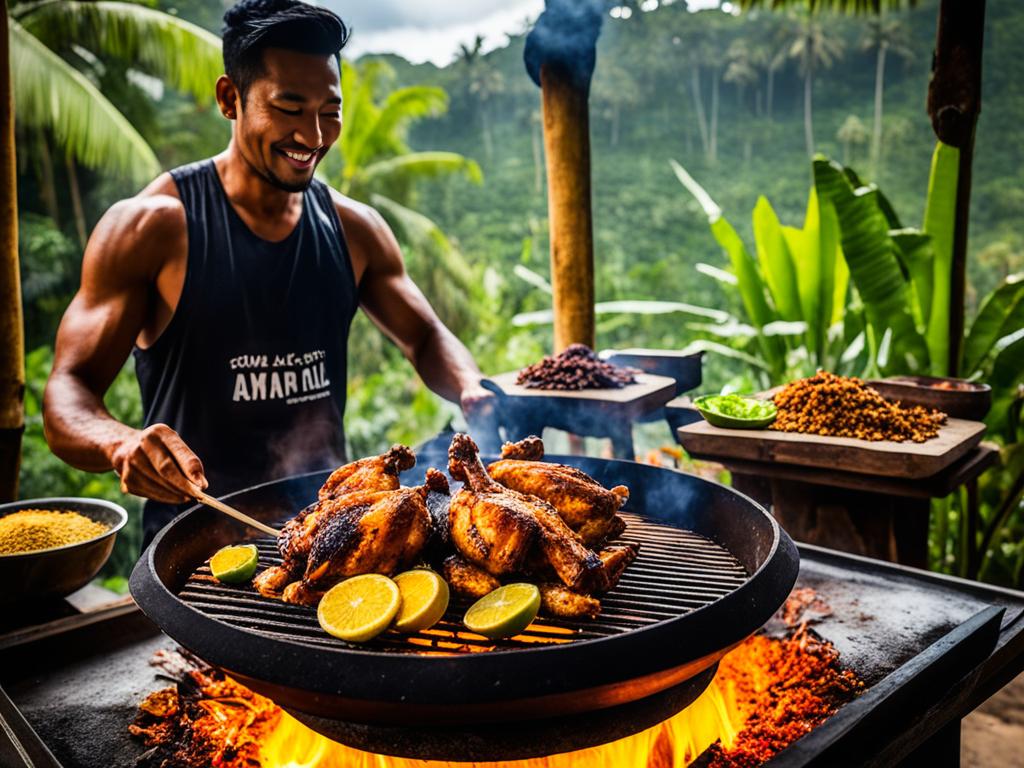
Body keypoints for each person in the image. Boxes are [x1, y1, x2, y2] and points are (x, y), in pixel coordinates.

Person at [42, 0, 494, 546]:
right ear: (230, 99)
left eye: (330, 111)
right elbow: (68, 395)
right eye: (289, 108)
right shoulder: (152, 228)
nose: (314, 135)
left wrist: (470, 387)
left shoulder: (355, 229)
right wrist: (119, 442)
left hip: (334, 537)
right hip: (197, 556)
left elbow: (424, 337)